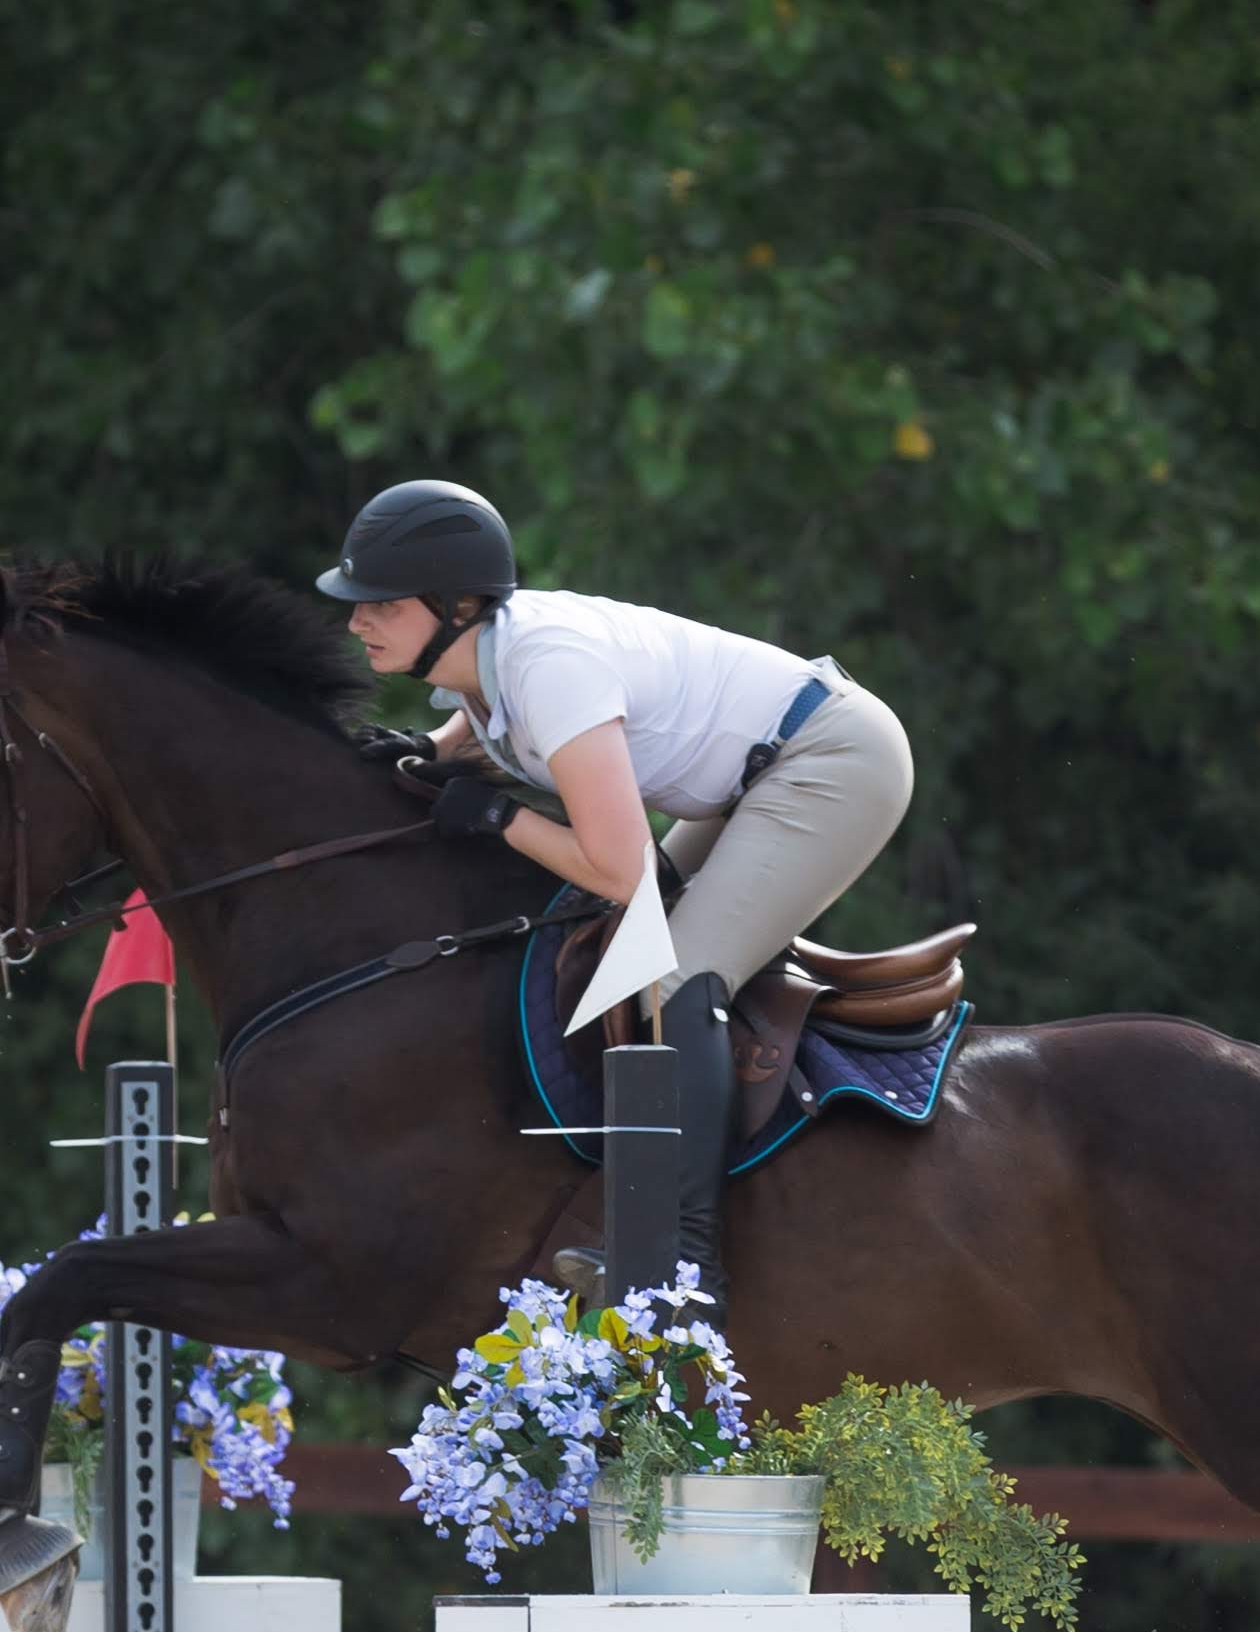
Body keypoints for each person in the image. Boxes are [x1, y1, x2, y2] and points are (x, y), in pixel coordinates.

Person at [316, 479, 916, 1326]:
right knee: (607, 955)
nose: (355, 620)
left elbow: (621, 871)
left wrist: (497, 816)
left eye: (377, 602)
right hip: (754, 778)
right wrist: (427, 750)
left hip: (831, 761)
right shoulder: (481, 664)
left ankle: (685, 1263)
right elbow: (482, 732)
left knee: (672, 979)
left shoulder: (546, 662)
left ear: (453, 605)